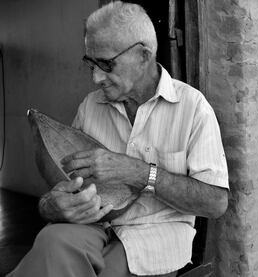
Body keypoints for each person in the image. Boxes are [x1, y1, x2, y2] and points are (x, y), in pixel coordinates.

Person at [7, 2, 228, 277]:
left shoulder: (193, 108)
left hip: (153, 237)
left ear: (143, 55)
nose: (96, 77)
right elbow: (67, 182)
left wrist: (139, 173)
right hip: (95, 226)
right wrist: (50, 206)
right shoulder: (91, 106)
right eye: (91, 63)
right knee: (50, 243)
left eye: (106, 64)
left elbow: (216, 203)